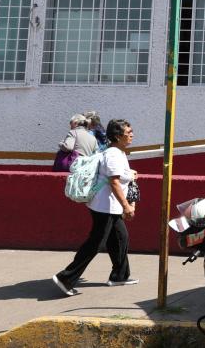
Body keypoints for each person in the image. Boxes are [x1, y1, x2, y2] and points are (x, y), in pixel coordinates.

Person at [52, 119, 137, 295]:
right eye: (128, 132)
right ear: (117, 136)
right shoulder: (113, 154)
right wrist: (127, 206)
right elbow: (113, 182)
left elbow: (116, 177)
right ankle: (66, 278)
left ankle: (119, 276)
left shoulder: (117, 153)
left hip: (109, 206)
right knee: (95, 243)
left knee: (121, 237)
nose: (131, 135)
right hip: (105, 206)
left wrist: (130, 174)